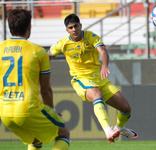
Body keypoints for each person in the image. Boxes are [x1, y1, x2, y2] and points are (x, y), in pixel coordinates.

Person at [48, 13, 138, 143]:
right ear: (67, 30)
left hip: (99, 78)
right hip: (81, 79)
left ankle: (119, 128)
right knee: (97, 95)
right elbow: (48, 55)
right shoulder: (63, 44)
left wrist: (104, 66)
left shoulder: (91, 36)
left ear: (81, 26)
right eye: (71, 27)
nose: (74, 29)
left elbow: (103, 51)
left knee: (126, 109)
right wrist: (44, 75)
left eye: (76, 26)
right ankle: (108, 131)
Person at [0, 9, 70, 150]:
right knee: (63, 134)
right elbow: (45, 91)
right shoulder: (38, 51)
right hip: (28, 108)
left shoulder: (0, 49)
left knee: (35, 139)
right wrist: (51, 109)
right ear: (29, 27)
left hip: (5, 111)